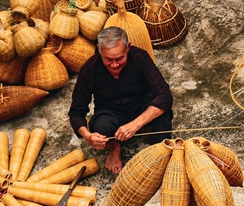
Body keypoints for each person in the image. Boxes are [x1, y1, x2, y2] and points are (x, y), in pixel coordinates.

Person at [69, 27, 173, 174]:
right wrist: (88, 136)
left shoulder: (140, 58)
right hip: (111, 113)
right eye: (108, 59)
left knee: (162, 113)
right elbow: (76, 112)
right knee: (100, 128)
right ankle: (114, 147)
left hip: (142, 106)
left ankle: (159, 154)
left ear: (128, 48)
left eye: (120, 58)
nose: (114, 64)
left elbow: (165, 95)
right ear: (99, 50)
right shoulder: (89, 69)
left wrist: (135, 124)